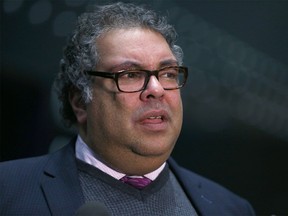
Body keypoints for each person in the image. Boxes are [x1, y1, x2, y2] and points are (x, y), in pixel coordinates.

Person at [0, 2, 255, 215]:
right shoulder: (8, 190)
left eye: (167, 73)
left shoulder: (231, 208)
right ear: (80, 101)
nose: (156, 89)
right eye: (131, 75)